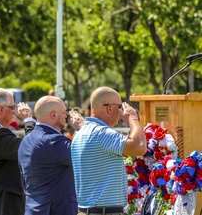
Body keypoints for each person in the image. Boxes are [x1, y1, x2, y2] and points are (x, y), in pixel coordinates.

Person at [71, 86, 146, 215]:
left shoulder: (81, 132)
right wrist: (133, 118)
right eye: (120, 107)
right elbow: (139, 146)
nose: (122, 112)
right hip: (103, 212)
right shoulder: (102, 133)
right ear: (109, 108)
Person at [18, 96, 84, 215]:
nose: (66, 116)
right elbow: (85, 155)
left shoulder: (25, 141)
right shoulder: (54, 141)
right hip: (57, 209)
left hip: (32, 208)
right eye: (64, 112)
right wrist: (82, 128)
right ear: (53, 115)